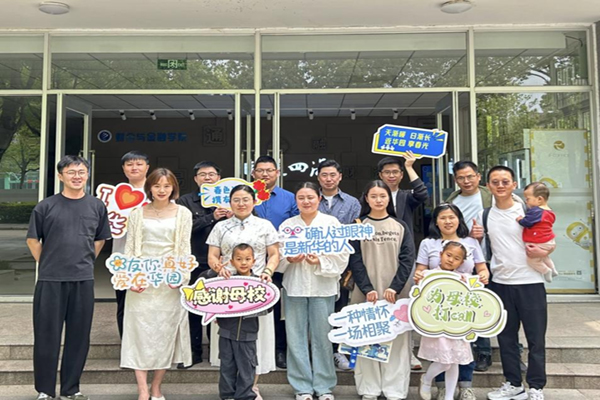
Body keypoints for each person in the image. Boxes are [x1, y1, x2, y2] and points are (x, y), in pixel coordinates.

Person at [26, 155, 111, 400]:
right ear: (60, 176)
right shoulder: (46, 206)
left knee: (79, 335)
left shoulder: (96, 206)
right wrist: (48, 263)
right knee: (46, 335)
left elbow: (100, 239)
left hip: (82, 279)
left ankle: (71, 389)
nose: (77, 176)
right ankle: (45, 390)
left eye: (81, 172)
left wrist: (84, 261)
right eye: (71, 172)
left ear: (87, 175)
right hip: (50, 280)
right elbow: (32, 240)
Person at [446, 160, 528, 374]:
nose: (466, 181)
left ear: (478, 176)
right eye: (461, 178)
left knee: (504, 309)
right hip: (467, 261)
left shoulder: (492, 195)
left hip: (495, 260)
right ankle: (483, 352)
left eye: (470, 176)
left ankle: (515, 353)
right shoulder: (452, 200)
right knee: (476, 307)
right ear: (455, 180)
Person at [120, 168, 193, 400]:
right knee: (138, 333)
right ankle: (142, 389)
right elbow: (130, 248)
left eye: (167, 186)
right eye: (157, 186)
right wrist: (131, 278)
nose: (162, 190)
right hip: (142, 280)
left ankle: (156, 387)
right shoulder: (137, 213)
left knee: (165, 334)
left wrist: (180, 276)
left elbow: (184, 248)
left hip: (168, 282)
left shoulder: (183, 213)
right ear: (149, 187)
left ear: (174, 188)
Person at [207, 184, 280, 399]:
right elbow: (212, 255)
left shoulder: (264, 225)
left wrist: (267, 271)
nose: (241, 204)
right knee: (227, 341)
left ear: (254, 201)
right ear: (230, 203)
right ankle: (229, 391)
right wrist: (218, 268)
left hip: (257, 289)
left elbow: (274, 254)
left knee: (255, 339)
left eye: (246, 199)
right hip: (226, 289)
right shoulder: (221, 227)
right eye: (236, 200)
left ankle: (252, 387)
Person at [278, 182, 350, 400]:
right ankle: (302, 387)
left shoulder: (331, 223)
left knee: (323, 337)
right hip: (294, 286)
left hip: (323, 287)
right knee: (295, 338)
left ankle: (324, 386)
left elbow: (342, 256)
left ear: (319, 199)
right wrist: (289, 259)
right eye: (301, 198)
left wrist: (320, 260)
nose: (306, 201)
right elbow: (277, 256)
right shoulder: (288, 225)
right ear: (296, 201)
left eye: (310, 197)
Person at [484, 166, 548, 400]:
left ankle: (536, 387)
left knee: (536, 339)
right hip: (500, 283)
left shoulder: (529, 210)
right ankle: (513, 383)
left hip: (531, 282)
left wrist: (544, 251)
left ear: (514, 184)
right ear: (488, 186)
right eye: (495, 182)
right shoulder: (485, 214)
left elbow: (548, 238)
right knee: (506, 339)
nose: (500, 186)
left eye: (505, 181)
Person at [413, 203, 489, 400]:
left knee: (458, 354)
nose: (448, 221)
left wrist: (483, 276)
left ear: (459, 220)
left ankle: (460, 389)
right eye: (443, 217)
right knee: (443, 353)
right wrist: (419, 276)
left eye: (452, 217)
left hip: (462, 308)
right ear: (436, 221)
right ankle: (435, 385)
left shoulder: (471, 242)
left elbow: (481, 268)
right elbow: (420, 270)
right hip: (437, 308)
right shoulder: (428, 243)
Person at [348, 180, 415, 400]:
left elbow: (407, 259)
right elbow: (355, 259)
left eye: (382, 196)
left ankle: (395, 389)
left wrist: (395, 287)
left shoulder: (400, 225)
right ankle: (369, 388)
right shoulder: (358, 225)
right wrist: (367, 288)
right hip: (365, 294)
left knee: (396, 341)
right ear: (366, 199)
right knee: (365, 338)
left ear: (389, 198)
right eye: (373, 196)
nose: (378, 200)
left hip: (395, 295)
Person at [176, 160, 232, 368]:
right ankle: (194, 351)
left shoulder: (230, 199)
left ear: (219, 178)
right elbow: (183, 229)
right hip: (194, 261)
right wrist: (211, 217)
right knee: (192, 305)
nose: (207, 178)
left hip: (223, 264)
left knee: (218, 305)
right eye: (202, 174)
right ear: (195, 179)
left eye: (211, 174)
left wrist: (232, 216)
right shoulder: (185, 201)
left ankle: (216, 352)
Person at [252, 155, 299, 369]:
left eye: (269, 170)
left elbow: (297, 226)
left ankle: (280, 350)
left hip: (279, 261)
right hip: (247, 261)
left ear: (277, 173)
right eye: (260, 170)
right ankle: (252, 349)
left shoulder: (290, 198)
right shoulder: (245, 195)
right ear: (253, 173)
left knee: (279, 307)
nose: (265, 174)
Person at [316, 159, 361, 371]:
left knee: (340, 309)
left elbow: (355, 235)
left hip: (341, 264)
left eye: (332, 175)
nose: (328, 179)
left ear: (340, 177)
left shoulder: (352, 203)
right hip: (313, 263)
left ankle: (337, 351)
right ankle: (318, 351)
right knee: (317, 310)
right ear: (318, 177)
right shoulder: (310, 199)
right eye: (324, 175)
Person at [417, 241, 475, 400]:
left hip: (456, 324)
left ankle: (449, 396)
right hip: (437, 324)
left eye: (456, 258)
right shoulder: (428, 275)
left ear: (461, 263)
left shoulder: (462, 278)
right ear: (440, 254)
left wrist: (468, 282)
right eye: (448, 255)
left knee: (454, 361)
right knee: (445, 362)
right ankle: (426, 379)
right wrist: (419, 279)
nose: (451, 260)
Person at [217, 243, 271, 400]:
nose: (243, 262)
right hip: (226, 331)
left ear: (254, 261)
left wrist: (266, 288)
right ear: (232, 261)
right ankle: (227, 395)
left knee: (247, 366)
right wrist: (216, 271)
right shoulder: (225, 281)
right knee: (227, 365)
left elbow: (268, 309)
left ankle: (245, 395)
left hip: (248, 333)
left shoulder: (260, 283)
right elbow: (212, 299)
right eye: (239, 259)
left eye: (247, 259)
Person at [113, 150, 150, 339]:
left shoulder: (158, 192)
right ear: (123, 169)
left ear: (147, 167)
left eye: (139, 164)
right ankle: (126, 345)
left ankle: (149, 344)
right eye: (129, 164)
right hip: (122, 259)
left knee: (151, 304)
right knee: (124, 303)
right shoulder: (113, 195)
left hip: (153, 258)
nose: (134, 168)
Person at [377, 151, 428, 235]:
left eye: (395, 172)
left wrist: (409, 167)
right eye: (387, 172)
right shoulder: (372, 197)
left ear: (401, 175)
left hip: (402, 240)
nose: (391, 175)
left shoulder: (406, 196)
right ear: (380, 175)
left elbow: (422, 193)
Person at [516, 182, 557, 282]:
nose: (526, 202)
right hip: (549, 241)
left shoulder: (536, 211)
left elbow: (527, 223)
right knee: (544, 256)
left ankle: (546, 271)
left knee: (531, 260)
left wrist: (520, 220)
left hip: (539, 241)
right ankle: (553, 269)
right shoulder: (550, 211)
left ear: (539, 199)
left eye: (528, 199)